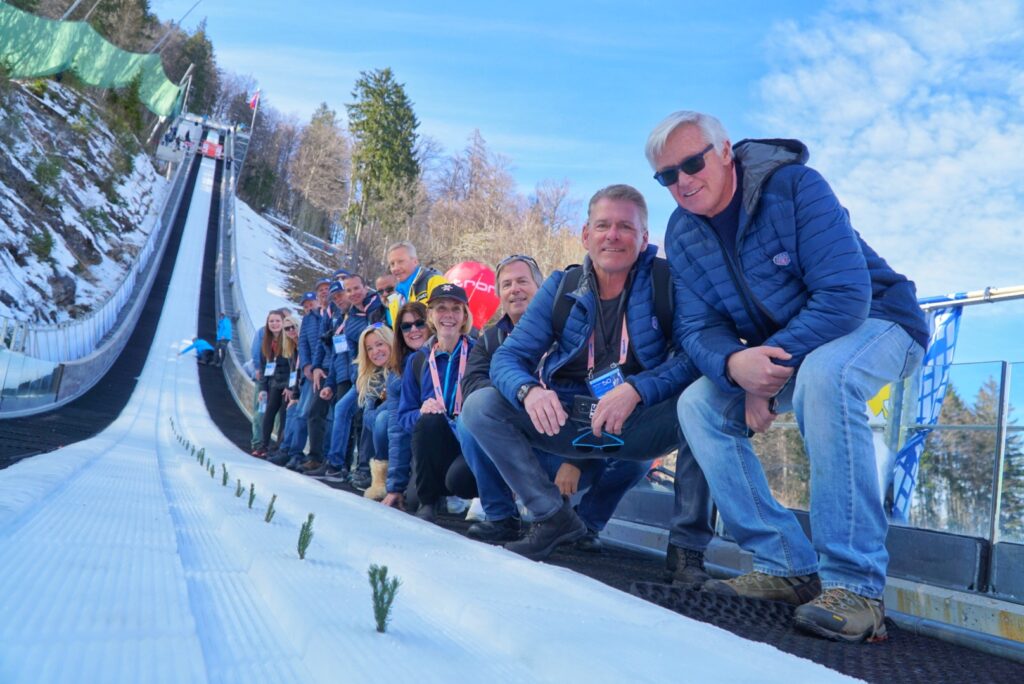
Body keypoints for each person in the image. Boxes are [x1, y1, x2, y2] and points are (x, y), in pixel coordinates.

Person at [647, 110, 928, 642]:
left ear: (725, 151)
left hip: (881, 321)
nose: (682, 180)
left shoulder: (795, 188)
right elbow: (695, 325)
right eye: (667, 175)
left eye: (691, 162)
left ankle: (856, 586)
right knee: (698, 405)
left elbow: (846, 296)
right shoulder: (682, 232)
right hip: (789, 351)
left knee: (827, 374)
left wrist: (770, 368)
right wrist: (735, 368)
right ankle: (784, 565)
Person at [462, 184, 713, 566]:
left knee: (705, 401)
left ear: (644, 237)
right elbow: (507, 358)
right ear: (585, 235)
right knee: (481, 405)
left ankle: (686, 550)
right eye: (602, 225)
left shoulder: (670, 282)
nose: (613, 235)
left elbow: (694, 357)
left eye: (625, 227)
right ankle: (552, 518)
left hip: (638, 419)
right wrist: (529, 390)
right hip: (570, 418)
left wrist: (637, 389)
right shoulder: (560, 286)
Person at [460, 254, 650, 548]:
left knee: (641, 455)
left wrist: (576, 460)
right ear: (498, 295)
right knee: (472, 414)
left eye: (523, 281)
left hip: (573, 442)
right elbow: (473, 383)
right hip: (519, 440)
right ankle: (501, 517)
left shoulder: (574, 326)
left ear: (542, 287)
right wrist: (524, 394)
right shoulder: (489, 341)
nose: (515, 289)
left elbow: (600, 394)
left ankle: (584, 525)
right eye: (507, 284)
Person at [397, 285, 478, 522]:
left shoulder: (479, 354)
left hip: (467, 441)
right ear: (431, 316)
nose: (448, 315)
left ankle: (462, 493)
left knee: (460, 480)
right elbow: (403, 416)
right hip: (435, 441)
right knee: (413, 499)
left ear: (465, 316)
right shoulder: (418, 360)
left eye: (456, 309)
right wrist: (421, 413)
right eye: (441, 308)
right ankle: (429, 502)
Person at [323, 274, 386, 487]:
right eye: (349, 290)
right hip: (359, 375)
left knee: (368, 417)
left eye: (356, 288)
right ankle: (336, 464)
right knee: (343, 410)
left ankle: (363, 469)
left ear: (365, 287)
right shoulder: (350, 315)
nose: (353, 293)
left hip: (378, 373)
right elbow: (347, 350)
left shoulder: (375, 308)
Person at [381, 302, 431, 511]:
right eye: (406, 326)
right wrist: (395, 485)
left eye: (420, 323)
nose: (414, 330)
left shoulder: (449, 355)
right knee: (413, 501)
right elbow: (397, 429)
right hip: (418, 446)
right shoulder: (396, 373)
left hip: (451, 443)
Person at [354, 324, 395, 500]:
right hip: (385, 432)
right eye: (369, 348)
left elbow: (393, 406)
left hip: (406, 431)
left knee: (383, 418)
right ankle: (377, 477)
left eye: (379, 344)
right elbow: (368, 417)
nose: (375, 351)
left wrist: (378, 412)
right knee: (378, 420)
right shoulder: (371, 376)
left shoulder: (402, 368)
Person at [254, 310, 298, 457]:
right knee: (269, 412)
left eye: (277, 321)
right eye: (271, 321)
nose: (274, 324)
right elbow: (264, 366)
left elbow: (293, 365)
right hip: (274, 382)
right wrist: (263, 388)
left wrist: (291, 387)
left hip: (286, 383)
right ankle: (263, 445)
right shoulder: (266, 342)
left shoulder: (288, 341)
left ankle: (280, 446)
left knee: (284, 415)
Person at [385, 241, 447, 326]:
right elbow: (398, 333)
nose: (395, 268)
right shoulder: (394, 299)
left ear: (415, 261)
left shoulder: (434, 282)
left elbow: (445, 319)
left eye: (400, 261)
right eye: (392, 264)